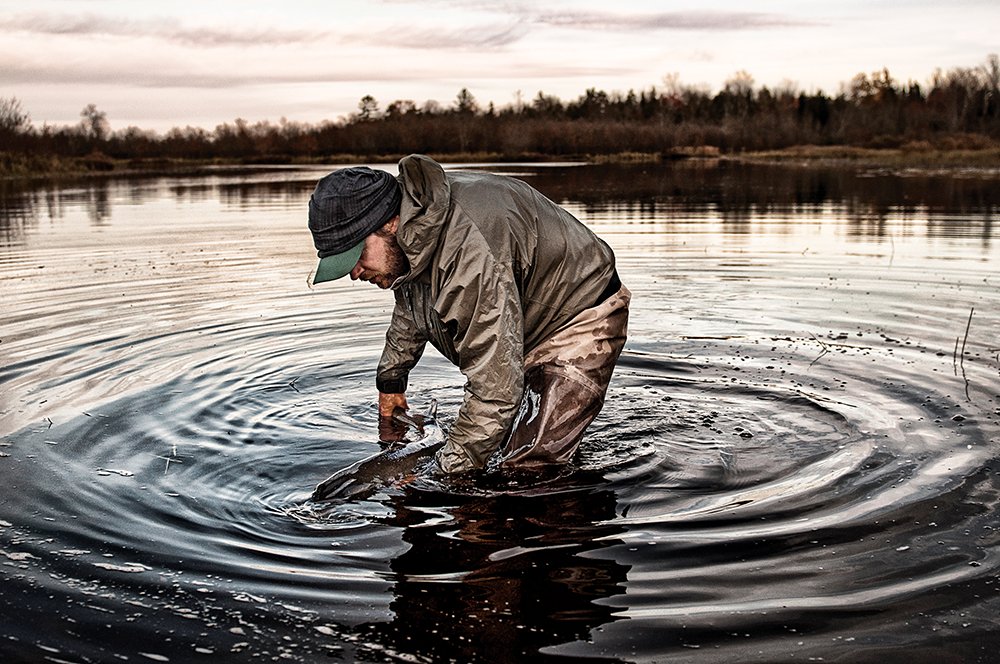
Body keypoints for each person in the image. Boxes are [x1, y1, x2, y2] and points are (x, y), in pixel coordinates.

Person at [307, 154, 630, 474]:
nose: (354, 272)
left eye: (356, 255)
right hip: (521, 308)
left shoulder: (470, 256)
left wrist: (445, 474)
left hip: (577, 315)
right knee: (494, 439)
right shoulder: (415, 228)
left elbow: (495, 392)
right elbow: (411, 309)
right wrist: (391, 382)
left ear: (389, 224)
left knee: (527, 468)